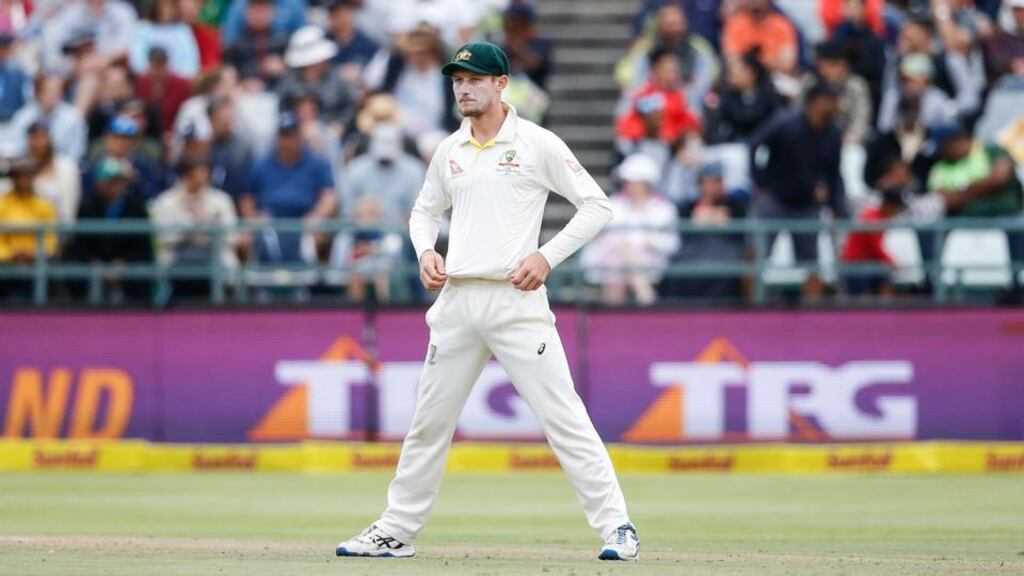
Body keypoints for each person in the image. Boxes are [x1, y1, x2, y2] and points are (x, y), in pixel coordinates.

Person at [334, 42, 638, 562]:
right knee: (428, 422)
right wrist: (425, 250)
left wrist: (546, 256)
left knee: (563, 416)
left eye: (475, 79)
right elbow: (422, 212)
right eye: (457, 80)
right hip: (456, 302)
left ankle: (618, 528)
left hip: (515, 302)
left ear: (501, 84)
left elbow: (596, 205)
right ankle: (397, 530)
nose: (464, 88)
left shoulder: (537, 143)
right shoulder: (448, 149)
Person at [750, 82, 847, 298]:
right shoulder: (785, 123)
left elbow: (833, 172)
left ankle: (811, 312)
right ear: (815, 103)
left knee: (811, 262)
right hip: (775, 198)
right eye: (830, 102)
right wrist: (759, 182)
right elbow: (755, 144)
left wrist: (837, 205)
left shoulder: (833, 133)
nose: (834, 107)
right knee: (755, 253)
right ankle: (748, 307)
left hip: (806, 203)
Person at [582, 153, 680, 306]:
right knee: (618, 260)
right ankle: (645, 299)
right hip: (613, 262)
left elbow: (671, 244)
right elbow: (603, 236)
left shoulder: (663, 208)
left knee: (624, 256)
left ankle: (637, 301)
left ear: (646, 183)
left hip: (652, 263)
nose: (629, 186)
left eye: (634, 182)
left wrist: (643, 243)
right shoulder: (614, 203)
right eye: (627, 182)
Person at [241, 111, 337, 263]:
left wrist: (317, 215)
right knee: (246, 237)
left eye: (290, 136)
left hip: (304, 220)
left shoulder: (317, 163)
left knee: (319, 235)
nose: (286, 142)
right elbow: (247, 198)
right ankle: (256, 284)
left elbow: (329, 196)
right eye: (283, 136)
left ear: (299, 137)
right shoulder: (262, 164)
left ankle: (309, 283)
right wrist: (254, 218)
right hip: (270, 221)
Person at [150, 155, 239, 297]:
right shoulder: (165, 201)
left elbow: (232, 236)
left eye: (205, 173)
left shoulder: (221, 200)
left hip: (213, 252)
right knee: (163, 263)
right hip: (177, 253)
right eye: (196, 173)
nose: (201, 178)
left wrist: (209, 229)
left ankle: (227, 304)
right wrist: (193, 226)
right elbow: (163, 237)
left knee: (229, 264)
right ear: (185, 175)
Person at [666, 161, 749, 300]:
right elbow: (692, 224)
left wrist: (705, 217)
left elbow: (728, 224)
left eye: (719, 180)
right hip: (692, 252)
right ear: (701, 183)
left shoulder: (735, 203)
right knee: (677, 270)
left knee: (724, 272)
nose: (717, 185)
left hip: (725, 251)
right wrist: (713, 216)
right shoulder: (689, 205)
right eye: (712, 181)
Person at [0, 158, 57, 265]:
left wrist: (32, 253)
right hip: (5, 266)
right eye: (19, 175)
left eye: (27, 175)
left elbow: (51, 242)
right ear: (13, 178)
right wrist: (9, 254)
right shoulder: (2, 205)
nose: (23, 180)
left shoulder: (45, 206)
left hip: (37, 264)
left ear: (33, 177)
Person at [129, 0, 201, 78]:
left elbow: (190, 61)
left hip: (178, 80)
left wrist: (177, 77)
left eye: (170, 7)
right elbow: (136, 59)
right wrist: (150, 74)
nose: (167, 11)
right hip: (147, 79)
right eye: (163, 7)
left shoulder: (183, 30)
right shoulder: (143, 28)